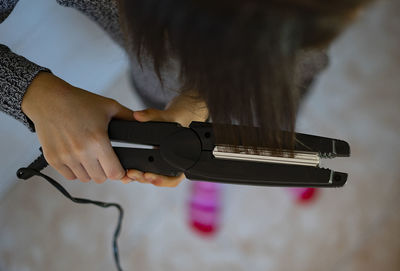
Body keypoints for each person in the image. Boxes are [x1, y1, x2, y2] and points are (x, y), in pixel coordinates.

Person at [0, 0, 371, 187]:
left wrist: (191, 106)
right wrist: (36, 93)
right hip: (161, 78)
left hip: (269, 84)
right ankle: (212, 174)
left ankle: (268, 155)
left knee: (271, 112)